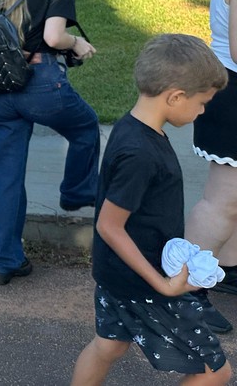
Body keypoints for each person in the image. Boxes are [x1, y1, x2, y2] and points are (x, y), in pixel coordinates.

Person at [70, 34, 230, 386]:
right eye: (202, 102)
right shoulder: (140, 154)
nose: (202, 111)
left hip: (117, 275)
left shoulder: (132, 127)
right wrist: (162, 283)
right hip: (146, 281)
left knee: (108, 347)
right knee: (215, 372)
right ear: (175, 96)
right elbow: (110, 226)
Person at [0, 0, 100, 286]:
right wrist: (77, 43)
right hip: (42, 86)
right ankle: (76, 192)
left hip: (2, 90)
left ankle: (4, 260)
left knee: (6, 177)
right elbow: (53, 35)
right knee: (85, 126)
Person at [183, 0, 237, 331]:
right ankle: (187, 290)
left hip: (227, 86)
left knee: (230, 198)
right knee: (222, 201)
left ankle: (228, 269)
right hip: (232, 91)